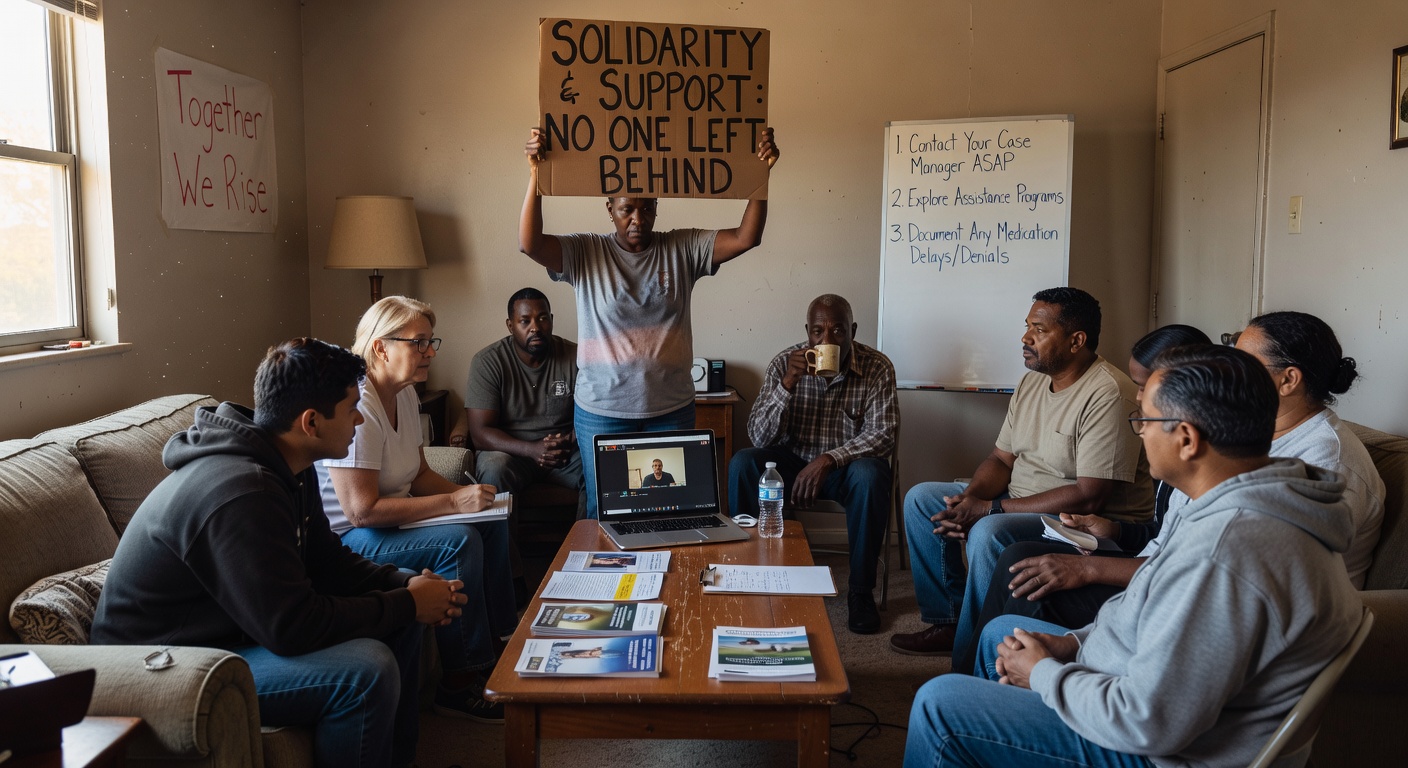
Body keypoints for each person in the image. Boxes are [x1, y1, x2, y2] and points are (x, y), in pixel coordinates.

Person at [904, 344, 1362, 768]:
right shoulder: (1245, 495)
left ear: (1186, 438)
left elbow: (1150, 723)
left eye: (1144, 420)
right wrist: (1073, 644)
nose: (1139, 434)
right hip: (1140, 690)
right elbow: (1146, 612)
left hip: (1161, 752)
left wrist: (1044, 674)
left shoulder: (1225, 552)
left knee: (940, 704)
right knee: (1004, 633)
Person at [92, 339, 466, 768]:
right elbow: (291, 627)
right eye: (350, 409)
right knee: (365, 671)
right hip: (156, 666)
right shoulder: (242, 491)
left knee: (400, 620)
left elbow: (329, 561)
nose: (360, 417)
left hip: (224, 635)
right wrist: (405, 603)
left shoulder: (288, 466)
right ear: (311, 422)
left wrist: (404, 584)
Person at [967, 311, 1385, 661]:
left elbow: (1223, 576)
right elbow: (1173, 540)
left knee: (1010, 615)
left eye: (1242, 361)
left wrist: (1089, 572)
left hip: (1216, 610)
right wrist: (1109, 539)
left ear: (1288, 380)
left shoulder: (1323, 459)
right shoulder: (1247, 439)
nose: (1225, 371)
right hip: (1170, 582)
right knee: (1019, 569)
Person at [519, 126, 781, 517]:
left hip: (671, 410)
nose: (637, 218)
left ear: (657, 206)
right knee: (605, 512)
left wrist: (762, 173)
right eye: (627, 209)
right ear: (610, 208)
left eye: (646, 208)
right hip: (602, 413)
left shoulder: (683, 247)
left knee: (676, 512)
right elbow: (530, 243)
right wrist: (535, 175)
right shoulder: (585, 252)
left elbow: (747, 237)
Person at [890, 287, 1152, 656]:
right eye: (1027, 326)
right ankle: (949, 621)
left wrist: (988, 510)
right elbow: (1001, 460)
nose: (1025, 338)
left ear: (1077, 341)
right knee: (921, 499)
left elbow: (1090, 494)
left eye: (1039, 330)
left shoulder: (1108, 392)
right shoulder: (1032, 381)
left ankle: (971, 649)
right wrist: (971, 498)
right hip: (1018, 501)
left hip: (1081, 520)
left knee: (989, 530)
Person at [947, 324, 1211, 672]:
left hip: (1147, 594)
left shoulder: (1218, 502)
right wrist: (1113, 530)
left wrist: (1085, 569)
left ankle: (979, 675)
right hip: (1133, 560)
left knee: (1007, 560)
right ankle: (966, 660)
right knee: (1016, 555)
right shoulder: (1183, 476)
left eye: (1146, 393)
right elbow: (1161, 538)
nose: (1138, 414)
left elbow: (1183, 578)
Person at [319, 296, 514, 724]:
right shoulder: (359, 405)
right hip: (349, 539)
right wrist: (451, 503)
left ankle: (504, 646)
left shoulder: (405, 394)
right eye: (419, 343)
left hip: (389, 520)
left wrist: (475, 502)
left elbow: (420, 471)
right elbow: (361, 511)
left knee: (491, 523)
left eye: (431, 341)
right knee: (457, 542)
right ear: (380, 347)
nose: (431, 352)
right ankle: (460, 682)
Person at [728, 294, 898, 634]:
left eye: (837, 330)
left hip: (843, 468)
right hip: (791, 465)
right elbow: (760, 438)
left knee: (873, 473)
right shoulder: (784, 364)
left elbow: (883, 435)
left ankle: (861, 592)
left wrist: (829, 460)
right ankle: (750, 574)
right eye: (818, 331)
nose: (827, 340)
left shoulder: (878, 366)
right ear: (808, 333)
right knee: (743, 463)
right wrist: (788, 385)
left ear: (852, 330)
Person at [449, 287, 581, 601]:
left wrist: (571, 438)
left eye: (542, 318)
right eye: (525, 320)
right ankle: (511, 577)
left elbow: (596, 413)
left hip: (564, 451)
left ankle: (583, 563)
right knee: (493, 468)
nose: (535, 326)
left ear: (551, 321)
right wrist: (532, 449)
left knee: (600, 466)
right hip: (512, 453)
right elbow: (480, 433)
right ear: (511, 325)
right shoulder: (489, 361)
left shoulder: (576, 356)